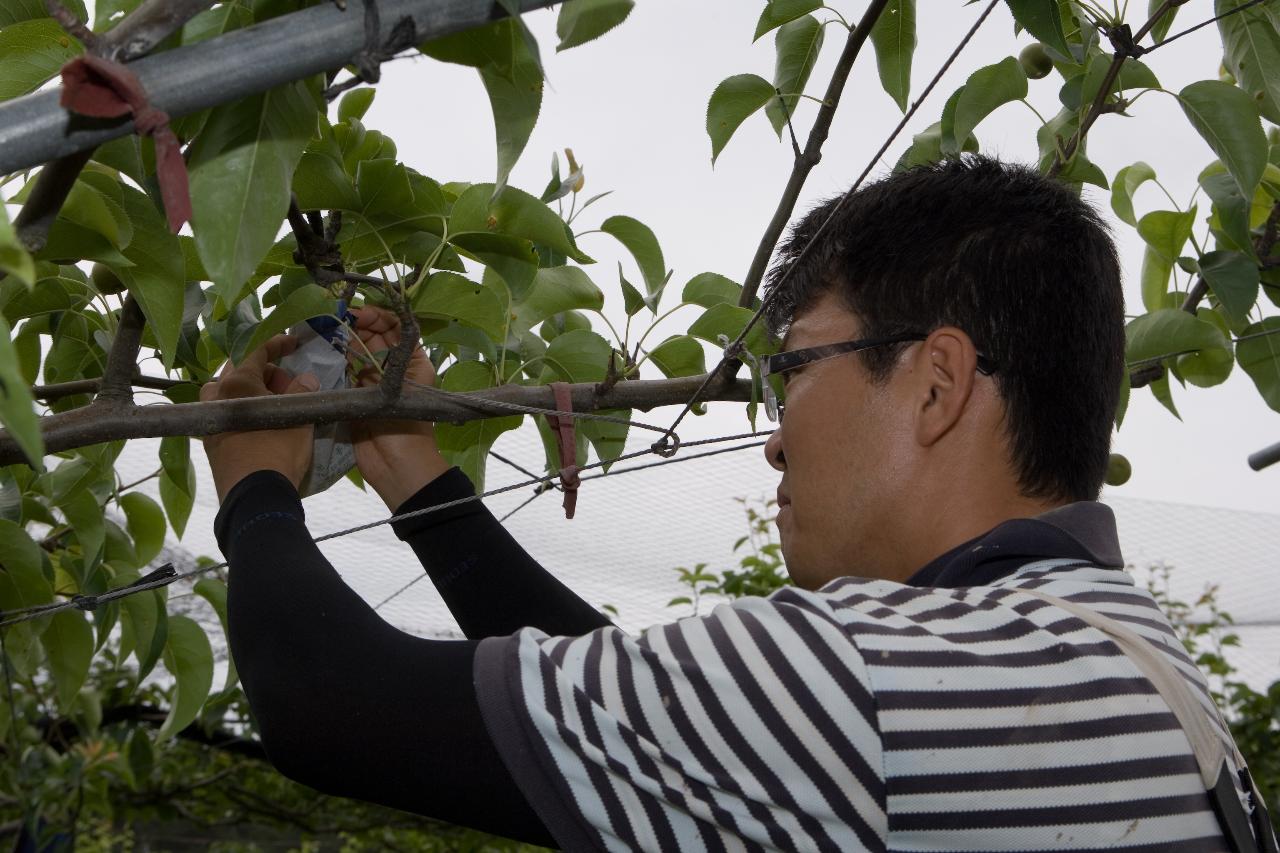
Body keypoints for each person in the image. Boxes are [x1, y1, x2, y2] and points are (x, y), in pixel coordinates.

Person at [201, 157, 1277, 851]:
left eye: (792, 370)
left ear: (937, 383)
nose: (772, 432)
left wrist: (252, 478)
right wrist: (409, 469)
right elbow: (663, 726)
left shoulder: (873, 680)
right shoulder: (1129, 676)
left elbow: (326, 696)